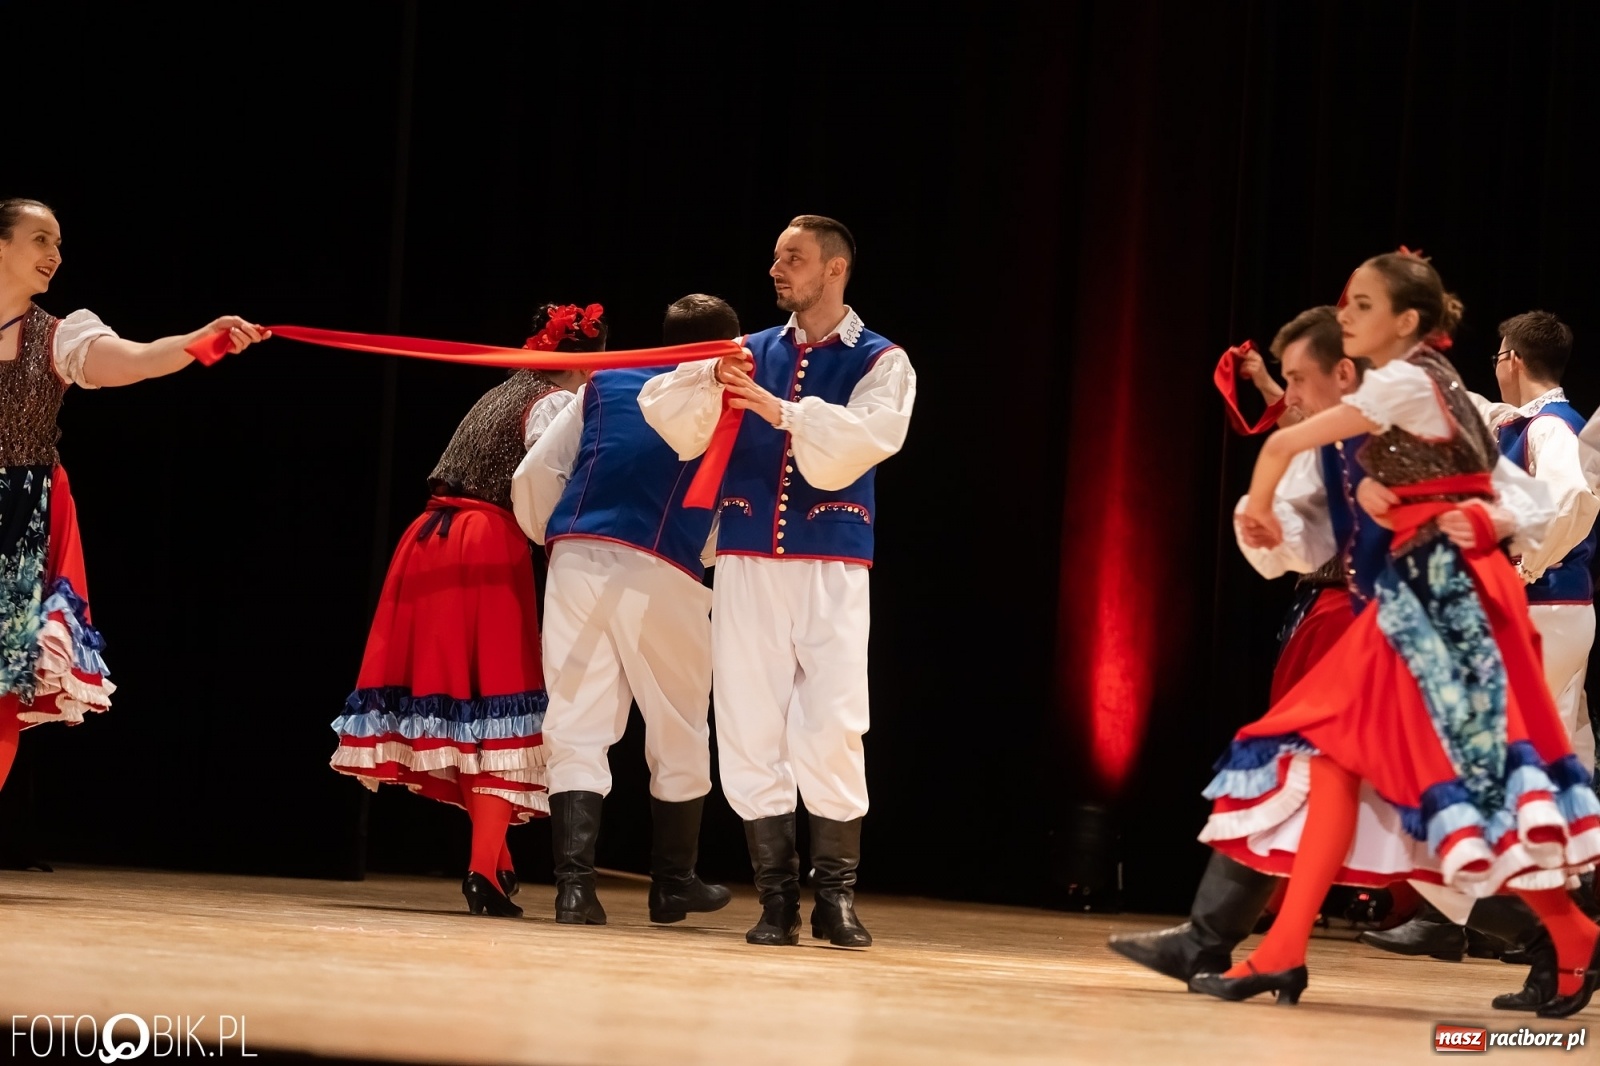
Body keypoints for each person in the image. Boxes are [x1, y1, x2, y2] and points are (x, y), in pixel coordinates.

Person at [1194, 251, 1600, 1017]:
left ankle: (1571, 930)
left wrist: (1260, 498)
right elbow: (1490, 482)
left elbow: (1287, 441)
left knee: (1465, 774)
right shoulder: (1432, 385)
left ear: (1406, 322)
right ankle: (1282, 949)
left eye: (1362, 303)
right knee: (1340, 759)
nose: (1345, 315)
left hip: (1447, 602)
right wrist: (1440, 503)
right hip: (1423, 597)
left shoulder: (1409, 380)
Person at [638, 216, 916, 948]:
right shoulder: (748, 353)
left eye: (792, 258)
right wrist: (712, 382)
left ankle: (837, 897)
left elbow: (863, 441)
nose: (775, 269)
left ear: (835, 268)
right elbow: (667, 414)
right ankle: (774, 900)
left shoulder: (882, 360)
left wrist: (785, 412)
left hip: (831, 563)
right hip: (748, 559)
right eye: (773, 257)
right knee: (749, 720)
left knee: (831, 720)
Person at [1356, 310, 1600, 1007]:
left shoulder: (1552, 428)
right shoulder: (1529, 420)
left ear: (1510, 354)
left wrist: (1527, 562)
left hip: (1544, 612)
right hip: (1551, 615)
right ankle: (1536, 945)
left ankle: (1475, 919)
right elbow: (1472, 406)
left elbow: (1576, 498)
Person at [329, 302, 597, 919]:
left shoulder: (499, 391)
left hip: (428, 537)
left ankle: (496, 861)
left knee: (461, 703)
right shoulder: (555, 404)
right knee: (498, 699)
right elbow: (543, 481)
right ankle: (482, 869)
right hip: (485, 543)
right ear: (583, 364)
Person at [0, 197, 266, 795]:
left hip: (16, 524)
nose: (55, 256)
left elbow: (138, 360)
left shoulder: (59, 337)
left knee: (3, 683)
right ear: (1, 244)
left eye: (59, 245)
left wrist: (203, 341)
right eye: (42, 240)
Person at [509, 293, 739, 927]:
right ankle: (672, 883)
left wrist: (559, 535)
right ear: (730, 343)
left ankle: (574, 890)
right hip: (662, 559)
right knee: (681, 721)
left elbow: (538, 473)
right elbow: (726, 509)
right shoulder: (732, 397)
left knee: (577, 719)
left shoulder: (602, 383)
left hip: (577, 554)